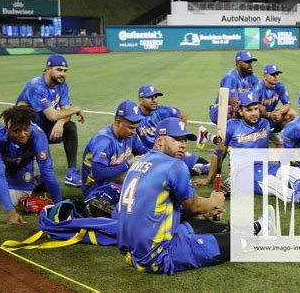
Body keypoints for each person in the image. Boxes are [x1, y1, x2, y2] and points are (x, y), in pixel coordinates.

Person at [117, 117, 275, 275]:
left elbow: (176, 209)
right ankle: (255, 237)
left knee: (204, 223)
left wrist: (205, 211)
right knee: (226, 243)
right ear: (159, 141)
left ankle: (254, 228)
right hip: (157, 257)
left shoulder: (139, 162)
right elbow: (193, 205)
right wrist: (213, 202)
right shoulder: (175, 165)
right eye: (177, 139)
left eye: (184, 140)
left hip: (132, 254)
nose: (183, 145)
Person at [0, 106, 62, 224]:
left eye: (26, 129)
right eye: (17, 131)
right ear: (7, 129)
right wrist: (10, 213)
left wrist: (59, 205)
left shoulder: (38, 136)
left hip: (22, 158)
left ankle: (32, 181)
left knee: (16, 200)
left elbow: (47, 172)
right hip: (3, 154)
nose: (23, 134)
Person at [16, 54, 85, 187]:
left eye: (65, 71)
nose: (63, 74)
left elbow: (64, 111)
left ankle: (71, 173)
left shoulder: (62, 85)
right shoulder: (36, 85)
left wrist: (61, 122)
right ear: (48, 69)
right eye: (59, 70)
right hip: (23, 132)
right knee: (22, 182)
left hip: (42, 126)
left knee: (70, 127)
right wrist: (75, 109)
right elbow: (52, 116)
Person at [81, 100, 148, 205]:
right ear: (118, 122)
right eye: (130, 127)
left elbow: (144, 153)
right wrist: (128, 164)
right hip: (95, 187)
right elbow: (98, 174)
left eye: (135, 128)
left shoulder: (131, 136)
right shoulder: (104, 141)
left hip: (116, 179)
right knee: (135, 179)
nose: (133, 131)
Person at [136, 84, 209, 176]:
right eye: (150, 97)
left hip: (170, 152)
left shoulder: (161, 110)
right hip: (151, 158)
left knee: (208, 166)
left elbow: (183, 115)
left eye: (155, 97)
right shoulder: (134, 118)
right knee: (169, 174)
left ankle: (193, 171)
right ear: (140, 100)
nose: (154, 100)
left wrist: (179, 137)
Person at [208, 50, 259, 125]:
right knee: (237, 109)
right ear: (238, 63)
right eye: (246, 62)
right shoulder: (230, 78)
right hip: (219, 110)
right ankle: (226, 134)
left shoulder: (254, 78)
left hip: (241, 107)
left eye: (251, 62)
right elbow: (233, 101)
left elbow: (255, 98)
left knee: (258, 109)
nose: (250, 65)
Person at [255, 64, 296, 147]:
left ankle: (273, 133)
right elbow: (252, 107)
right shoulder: (258, 87)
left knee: (292, 113)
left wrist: (279, 113)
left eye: (277, 74)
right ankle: (258, 135)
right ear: (265, 76)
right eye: (273, 74)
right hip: (258, 120)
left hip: (272, 117)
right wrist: (268, 114)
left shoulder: (279, 87)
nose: (276, 76)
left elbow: (287, 104)